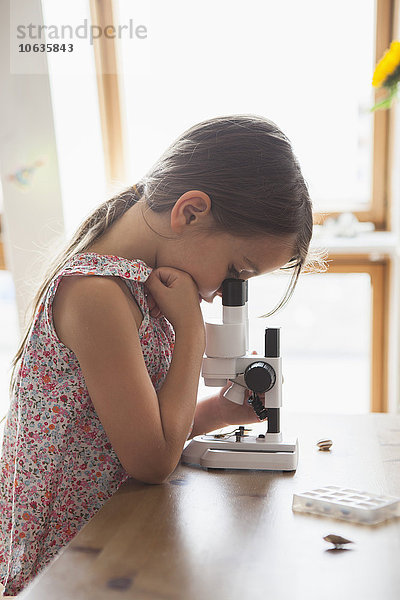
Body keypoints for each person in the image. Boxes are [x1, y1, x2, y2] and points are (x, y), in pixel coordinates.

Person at [0, 114, 315, 596]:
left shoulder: (142, 289)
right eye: (234, 272)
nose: (217, 293)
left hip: (110, 533)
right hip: (63, 562)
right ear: (190, 212)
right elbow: (151, 460)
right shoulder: (97, 295)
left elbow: (137, 431)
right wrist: (191, 331)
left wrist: (220, 412)